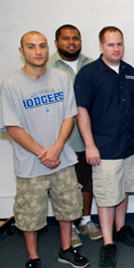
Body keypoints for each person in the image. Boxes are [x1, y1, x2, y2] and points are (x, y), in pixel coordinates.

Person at [0, 31, 90, 268]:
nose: (37, 51)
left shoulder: (60, 78)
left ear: (47, 49)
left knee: (67, 208)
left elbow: (69, 115)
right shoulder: (11, 85)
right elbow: (13, 127)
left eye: (41, 46)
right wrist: (42, 152)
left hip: (62, 158)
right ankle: (33, 258)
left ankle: (66, 250)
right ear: (22, 51)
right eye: (31, 47)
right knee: (30, 217)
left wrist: (58, 147)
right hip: (31, 164)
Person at [75, 26, 134, 268]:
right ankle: (108, 243)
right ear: (101, 46)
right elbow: (81, 111)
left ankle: (121, 228)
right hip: (104, 147)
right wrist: (89, 145)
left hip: (131, 144)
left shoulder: (129, 72)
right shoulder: (89, 74)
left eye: (119, 44)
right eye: (111, 44)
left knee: (123, 188)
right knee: (106, 196)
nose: (116, 49)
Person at [47, 24, 101, 247]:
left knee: (87, 181)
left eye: (75, 38)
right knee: (65, 186)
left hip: (88, 136)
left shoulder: (92, 65)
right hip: (61, 139)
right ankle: (69, 228)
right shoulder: (48, 66)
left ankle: (86, 220)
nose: (71, 42)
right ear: (57, 42)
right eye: (66, 39)